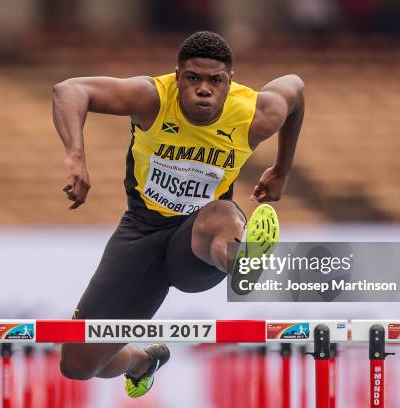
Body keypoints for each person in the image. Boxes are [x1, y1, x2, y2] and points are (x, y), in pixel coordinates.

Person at [52, 31, 304, 398]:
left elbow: (295, 88)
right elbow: (69, 90)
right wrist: (76, 156)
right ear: (177, 76)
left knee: (220, 214)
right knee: (77, 365)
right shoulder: (152, 97)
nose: (204, 89)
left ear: (229, 82)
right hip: (141, 233)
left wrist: (282, 168)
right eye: (193, 79)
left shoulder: (255, 112)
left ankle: (240, 261)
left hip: (196, 241)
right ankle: (142, 361)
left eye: (215, 80)